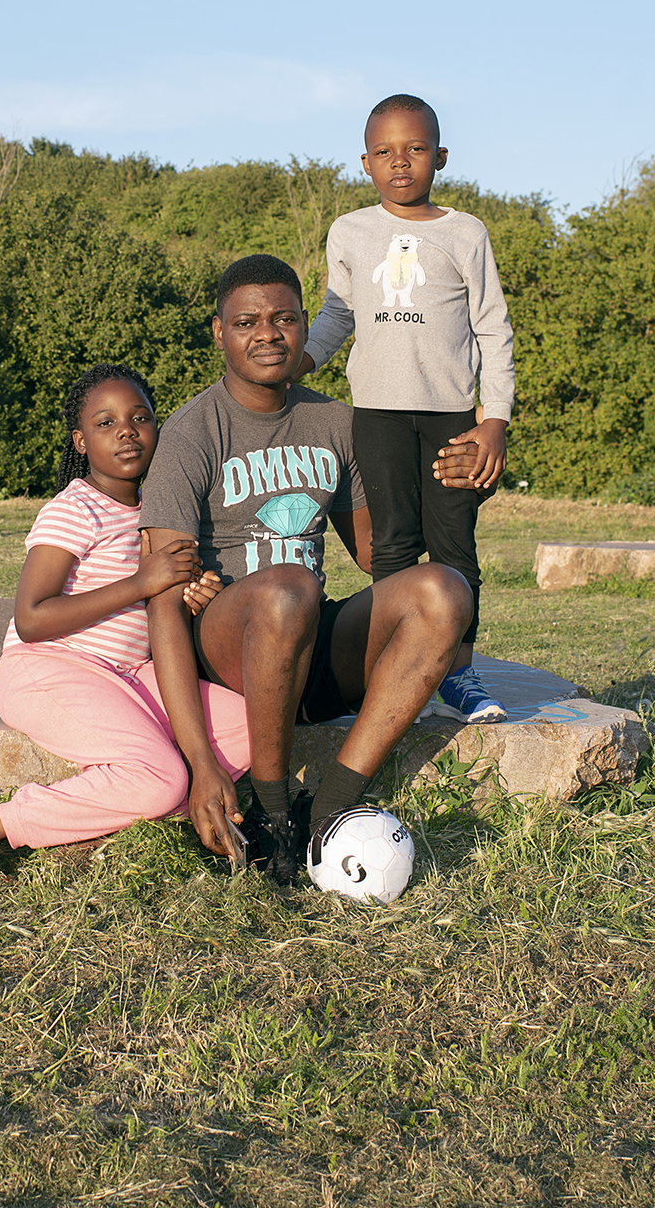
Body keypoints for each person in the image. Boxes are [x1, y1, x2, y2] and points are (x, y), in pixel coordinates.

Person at [141, 254, 474, 888]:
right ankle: (271, 814)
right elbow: (161, 600)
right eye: (247, 322)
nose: (268, 334)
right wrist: (200, 760)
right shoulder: (191, 433)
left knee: (443, 591)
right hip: (230, 651)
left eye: (285, 319)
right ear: (219, 332)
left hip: (308, 643)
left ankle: (330, 806)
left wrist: (452, 486)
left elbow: (378, 555)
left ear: (303, 327)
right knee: (288, 589)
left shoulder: (334, 422)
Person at [0, 365, 245, 869]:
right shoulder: (75, 508)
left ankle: (160, 800)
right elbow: (32, 617)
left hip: (130, 674)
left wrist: (194, 596)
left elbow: (162, 607)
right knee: (161, 777)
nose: (127, 431)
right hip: (52, 668)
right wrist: (141, 583)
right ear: (80, 442)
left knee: (251, 728)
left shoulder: (162, 510)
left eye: (140, 418)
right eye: (106, 423)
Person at [299, 93, 515, 723]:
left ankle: (458, 674)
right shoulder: (350, 231)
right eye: (385, 151)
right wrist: (300, 361)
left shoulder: (465, 233)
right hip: (378, 414)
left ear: (440, 156)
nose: (401, 161)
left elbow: (493, 329)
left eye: (416, 148)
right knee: (390, 544)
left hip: (453, 419)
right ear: (365, 162)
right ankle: (395, 671)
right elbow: (338, 313)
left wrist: (494, 421)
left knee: (454, 543)